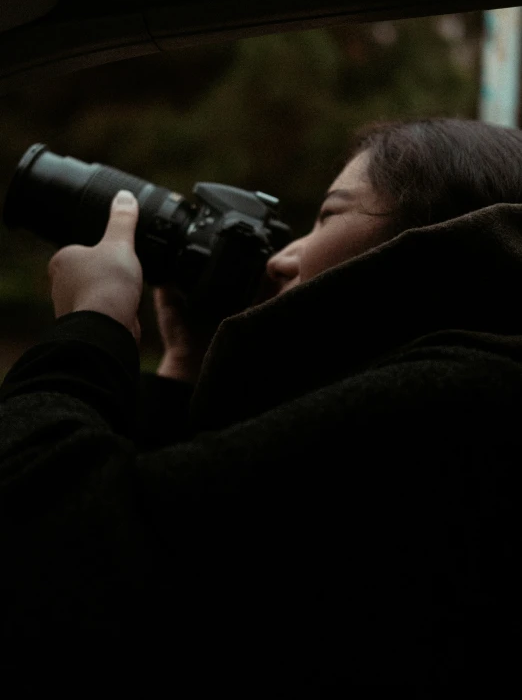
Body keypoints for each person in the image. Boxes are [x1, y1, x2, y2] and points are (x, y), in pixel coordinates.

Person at [1, 116, 522, 691]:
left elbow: (46, 552)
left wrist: (90, 325)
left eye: (328, 215)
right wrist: (186, 369)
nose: (279, 260)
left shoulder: (457, 402)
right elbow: (188, 556)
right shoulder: (474, 380)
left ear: (432, 234)